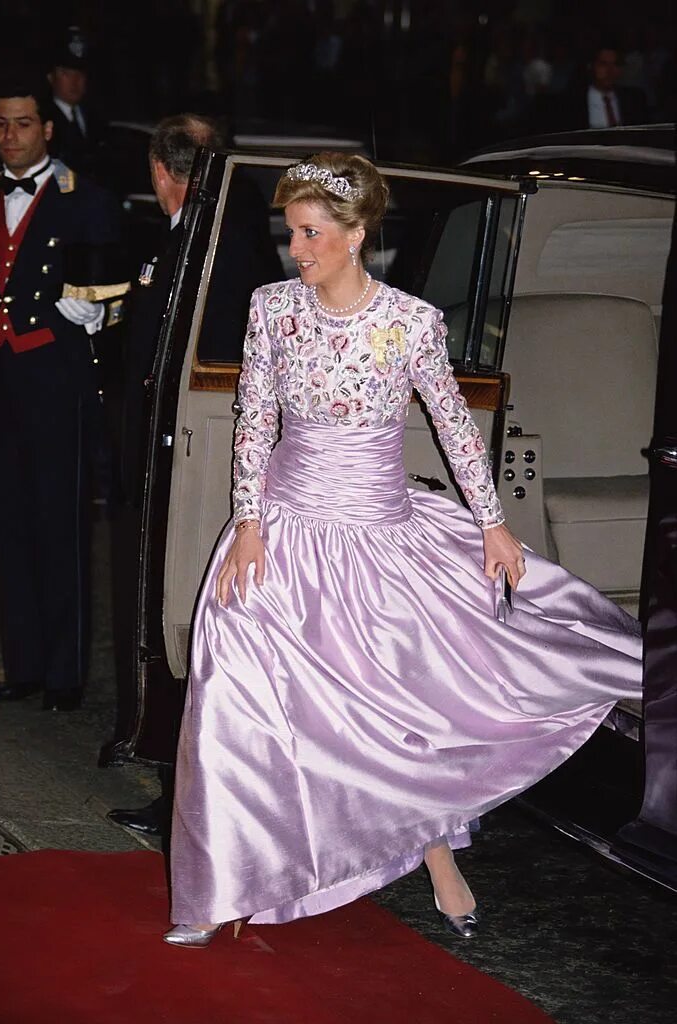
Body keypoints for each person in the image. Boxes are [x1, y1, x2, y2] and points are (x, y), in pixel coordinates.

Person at [164, 153, 642, 947]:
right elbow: (252, 420)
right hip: (279, 532)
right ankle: (225, 884)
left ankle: (434, 854)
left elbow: (455, 425)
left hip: (380, 539)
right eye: (293, 234)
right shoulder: (272, 307)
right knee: (234, 699)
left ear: (356, 236)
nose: (299, 250)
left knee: (396, 711)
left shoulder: (410, 322)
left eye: (313, 234)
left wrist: (490, 521)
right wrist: (246, 521)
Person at [108, 113, 282, 836]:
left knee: (184, 616)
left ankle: (191, 791)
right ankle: (178, 777)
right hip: (171, 457)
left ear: (160, 172)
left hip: (192, 465)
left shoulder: (217, 250)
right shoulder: (208, 241)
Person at [0, 76, 126, 712]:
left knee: (60, 521)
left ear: (47, 129)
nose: (10, 136)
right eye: (0, 123)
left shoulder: (85, 198)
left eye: (22, 123)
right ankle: (22, 665)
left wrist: (98, 313)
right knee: (7, 521)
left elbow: (116, 285)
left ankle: (65, 674)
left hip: (54, 375)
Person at [47, 27, 105, 178]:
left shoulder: (95, 117)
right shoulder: (42, 119)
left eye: (80, 74)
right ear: (51, 77)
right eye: (66, 73)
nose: (75, 81)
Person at [558, 43, 648, 130]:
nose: (610, 71)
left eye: (615, 64)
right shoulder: (572, 102)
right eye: (603, 64)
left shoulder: (634, 99)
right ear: (591, 67)